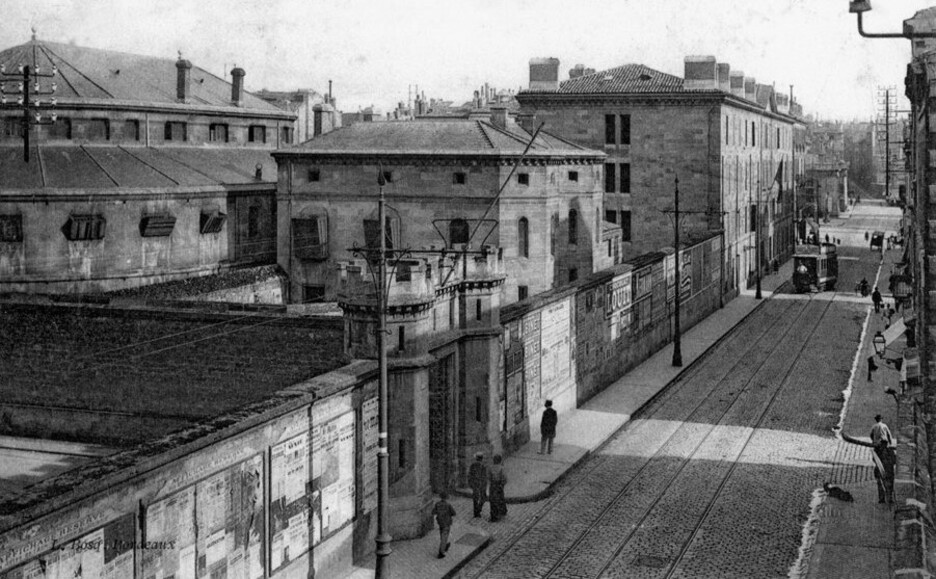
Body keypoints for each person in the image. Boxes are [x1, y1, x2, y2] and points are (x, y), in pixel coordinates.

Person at [431, 492, 456, 558]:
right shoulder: (448, 505)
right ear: (446, 497)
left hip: (440, 522)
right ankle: (441, 552)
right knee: (444, 536)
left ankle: (444, 545)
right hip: (447, 522)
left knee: (442, 534)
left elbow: (433, 512)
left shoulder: (437, 504)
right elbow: (454, 513)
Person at [467, 453, 488, 518]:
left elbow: (469, 475)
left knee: (475, 498)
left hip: (475, 483)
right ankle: (478, 509)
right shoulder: (483, 466)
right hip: (481, 483)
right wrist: (485, 484)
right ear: (482, 458)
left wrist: (470, 483)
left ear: (476, 458)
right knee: (483, 497)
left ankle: (476, 512)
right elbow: (484, 476)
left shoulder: (472, 465)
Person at [488, 455, 508, 522]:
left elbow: (489, 477)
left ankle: (494, 515)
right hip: (499, 484)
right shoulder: (501, 468)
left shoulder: (490, 468)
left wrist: (492, 481)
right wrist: (502, 484)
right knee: (500, 498)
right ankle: (502, 512)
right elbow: (504, 478)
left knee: (493, 500)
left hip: (493, 485)